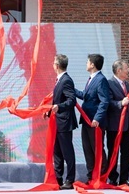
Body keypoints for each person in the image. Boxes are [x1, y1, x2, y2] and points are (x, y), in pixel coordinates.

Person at [75, 53, 110, 183]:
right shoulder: (91, 79)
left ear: (93, 64)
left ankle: (102, 177)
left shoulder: (101, 80)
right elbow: (85, 96)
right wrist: (71, 89)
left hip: (95, 122)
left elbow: (104, 101)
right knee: (88, 149)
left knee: (97, 149)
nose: (86, 64)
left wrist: (97, 118)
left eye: (87, 62)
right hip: (86, 120)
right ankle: (91, 177)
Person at [47, 54, 76, 190]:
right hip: (58, 122)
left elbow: (71, 100)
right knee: (57, 152)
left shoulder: (66, 80)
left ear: (57, 66)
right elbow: (57, 101)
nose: (52, 65)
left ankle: (70, 180)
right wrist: (48, 111)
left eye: (53, 62)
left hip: (65, 122)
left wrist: (59, 107)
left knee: (67, 152)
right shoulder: (59, 80)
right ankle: (58, 179)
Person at [106, 59, 129, 187]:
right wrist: (120, 103)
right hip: (114, 126)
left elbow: (128, 101)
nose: (128, 70)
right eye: (126, 68)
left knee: (126, 153)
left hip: (126, 125)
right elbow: (108, 102)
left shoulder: (127, 85)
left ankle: (124, 180)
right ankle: (112, 178)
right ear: (119, 70)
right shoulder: (109, 83)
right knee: (113, 152)